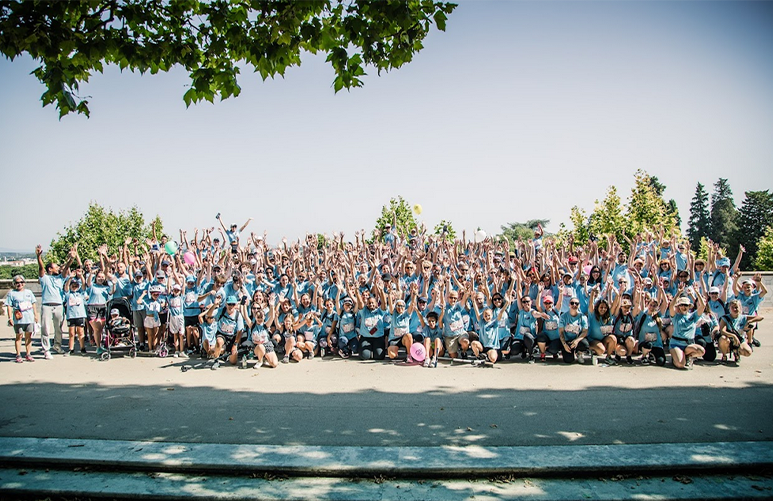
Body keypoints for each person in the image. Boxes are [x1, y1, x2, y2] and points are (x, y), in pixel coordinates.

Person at [36, 243, 75, 356]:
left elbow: (66, 268)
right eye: (56, 266)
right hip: (47, 305)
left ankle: (57, 345)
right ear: (50, 269)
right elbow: (41, 268)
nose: (58, 268)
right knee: (45, 328)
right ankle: (46, 349)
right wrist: (38, 257)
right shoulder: (44, 278)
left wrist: (71, 259)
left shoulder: (60, 278)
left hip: (58, 305)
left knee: (58, 328)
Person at [668, 292, 706, 370]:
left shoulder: (693, 316)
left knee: (701, 351)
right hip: (676, 344)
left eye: (685, 305)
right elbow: (671, 306)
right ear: (679, 306)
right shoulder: (676, 317)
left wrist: (697, 292)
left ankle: (687, 356)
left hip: (688, 344)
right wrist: (678, 293)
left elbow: (703, 306)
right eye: (681, 305)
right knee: (681, 365)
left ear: (689, 306)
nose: (683, 307)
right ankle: (676, 358)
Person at [5, 275, 39, 362]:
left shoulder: (29, 292)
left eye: (21, 282)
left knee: (29, 336)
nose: (19, 284)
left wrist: (35, 315)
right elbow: (9, 306)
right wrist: (10, 318)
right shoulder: (11, 293)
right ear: (14, 284)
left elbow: (33, 303)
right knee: (19, 336)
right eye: (17, 283)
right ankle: (18, 354)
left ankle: (28, 354)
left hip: (29, 317)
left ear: (24, 283)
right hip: (19, 318)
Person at [63, 275, 87, 356]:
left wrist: (81, 276)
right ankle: (71, 348)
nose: (74, 287)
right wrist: (70, 278)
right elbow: (66, 287)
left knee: (80, 332)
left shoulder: (81, 293)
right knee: (71, 333)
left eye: (76, 285)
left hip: (80, 315)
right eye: (73, 285)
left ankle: (82, 348)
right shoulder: (68, 294)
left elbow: (84, 284)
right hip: (71, 316)